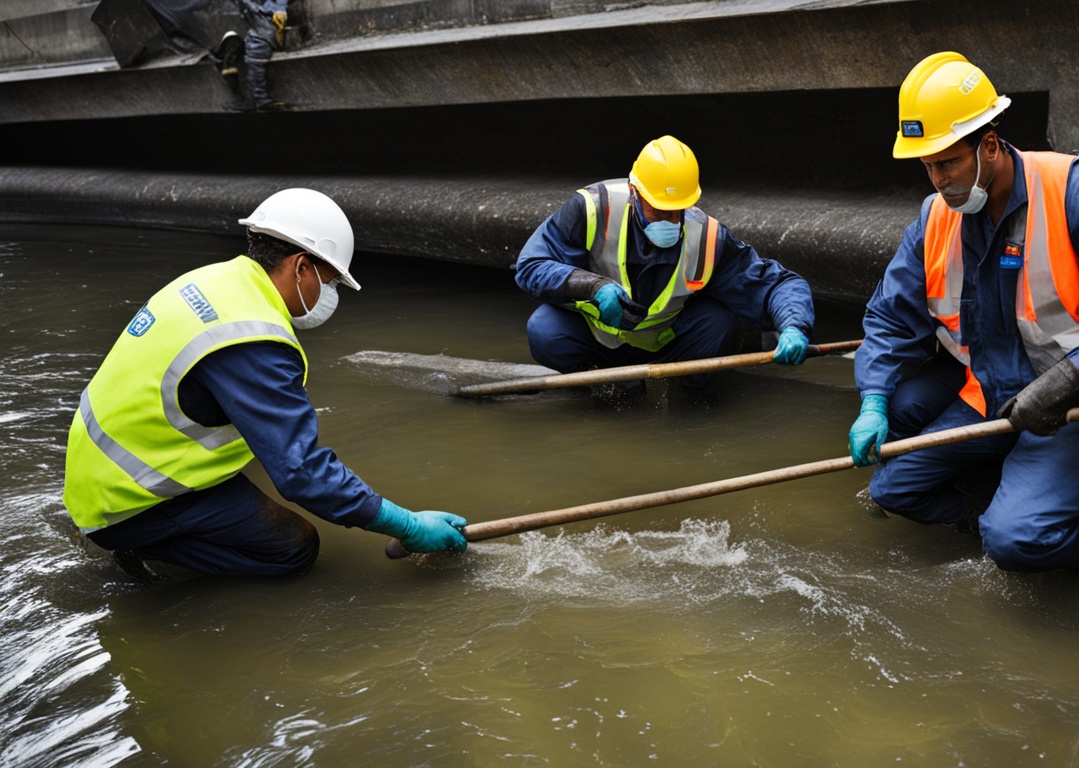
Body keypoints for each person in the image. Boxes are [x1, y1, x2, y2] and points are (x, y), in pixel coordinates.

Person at [847, 52, 1079, 576]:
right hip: (991, 393)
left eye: (948, 163)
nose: (938, 181)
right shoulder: (935, 218)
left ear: (988, 145)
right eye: (928, 167)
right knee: (894, 489)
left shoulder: (1075, 191)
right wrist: (873, 399)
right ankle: (1002, 516)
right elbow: (892, 317)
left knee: (1015, 538)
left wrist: (1073, 378)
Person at [62, 188, 467, 580]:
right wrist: (407, 524)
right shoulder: (253, 340)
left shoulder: (213, 281)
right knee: (294, 547)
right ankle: (147, 552)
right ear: (301, 267)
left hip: (98, 469)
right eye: (328, 281)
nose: (327, 294)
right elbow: (302, 473)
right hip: (129, 500)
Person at [513, 135, 816, 405]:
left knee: (720, 323)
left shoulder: (708, 237)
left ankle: (695, 398)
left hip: (668, 342)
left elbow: (777, 285)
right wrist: (592, 287)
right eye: (658, 209)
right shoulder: (592, 209)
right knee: (545, 330)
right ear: (634, 192)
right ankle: (606, 383)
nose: (669, 221)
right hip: (600, 340)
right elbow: (531, 266)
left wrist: (794, 326)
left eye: (677, 211)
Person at [228, 0, 289, 111]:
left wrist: (279, 9)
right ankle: (255, 98)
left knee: (255, 55)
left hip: (265, 20)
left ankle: (259, 98)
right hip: (255, 19)